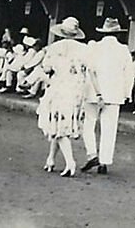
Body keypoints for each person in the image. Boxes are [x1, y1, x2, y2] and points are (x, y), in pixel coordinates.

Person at [80, 18, 135, 175]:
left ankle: (92, 154)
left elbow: (89, 70)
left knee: (89, 123)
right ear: (118, 33)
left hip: (93, 91)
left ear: (103, 32)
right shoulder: (123, 49)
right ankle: (104, 162)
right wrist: (126, 93)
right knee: (109, 128)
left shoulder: (94, 47)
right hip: (114, 94)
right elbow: (129, 74)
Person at [37, 17, 89, 177]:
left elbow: (46, 68)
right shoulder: (85, 49)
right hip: (77, 90)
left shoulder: (54, 47)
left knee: (60, 127)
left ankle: (70, 162)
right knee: (60, 125)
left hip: (59, 88)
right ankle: (51, 159)